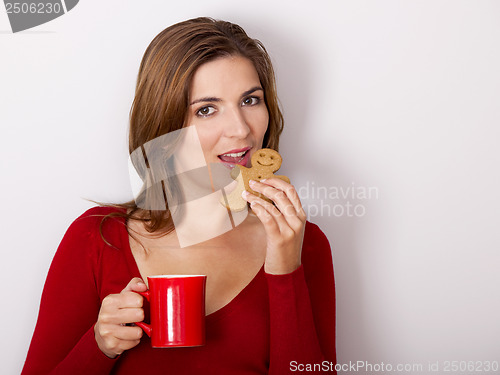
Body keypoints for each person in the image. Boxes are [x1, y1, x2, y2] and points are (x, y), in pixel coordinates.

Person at [21, 17, 337, 374]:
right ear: (165, 125)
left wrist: (285, 271)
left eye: (250, 100)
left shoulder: (303, 244)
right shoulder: (97, 238)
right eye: (206, 109)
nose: (241, 129)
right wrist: (99, 346)